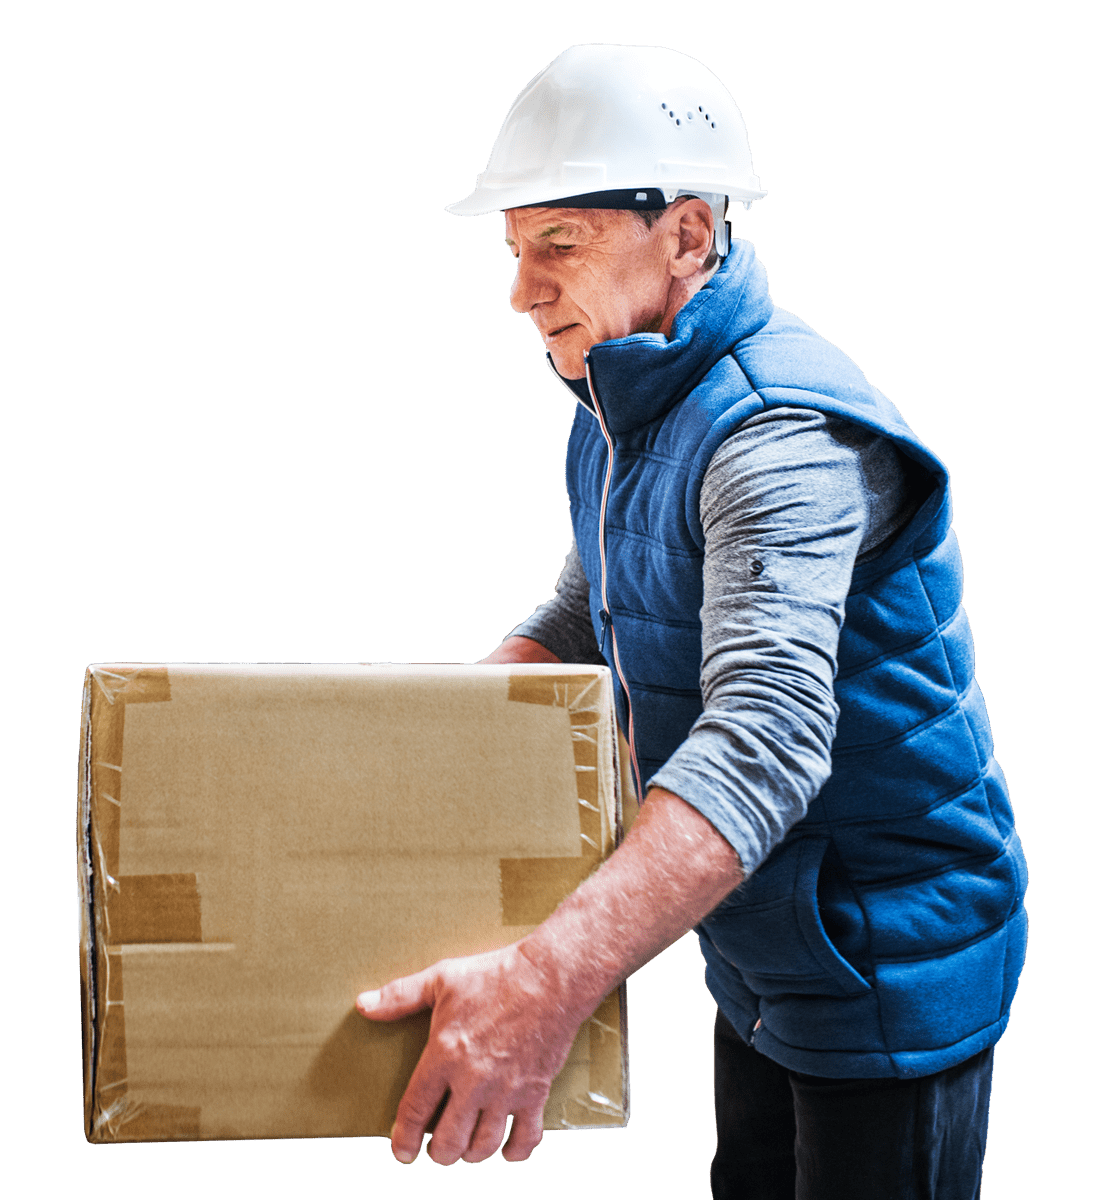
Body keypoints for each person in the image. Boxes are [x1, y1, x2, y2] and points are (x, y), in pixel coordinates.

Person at [356, 44, 1027, 1197]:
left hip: (889, 960)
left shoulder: (778, 438)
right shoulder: (625, 397)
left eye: (556, 243)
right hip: (766, 937)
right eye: (515, 251)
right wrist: (409, 756)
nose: (522, 290)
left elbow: (764, 742)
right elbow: (587, 615)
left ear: (687, 237)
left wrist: (545, 983)